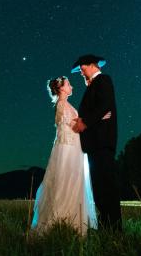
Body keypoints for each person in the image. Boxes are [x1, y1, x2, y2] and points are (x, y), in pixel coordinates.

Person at [30, 76, 97, 235]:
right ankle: (61, 220)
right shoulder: (62, 106)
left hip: (73, 149)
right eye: (68, 84)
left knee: (72, 182)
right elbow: (76, 127)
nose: (71, 86)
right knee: (66, 182)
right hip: (67, 151)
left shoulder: (66, 105)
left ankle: (72, 221)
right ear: (61, 88)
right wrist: (98, 119)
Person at [71, 54, 123, 231]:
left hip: (102, 141)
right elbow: (100, 109)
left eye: (82, 67)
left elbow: (105, 104)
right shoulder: (93, 85)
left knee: (106, 185)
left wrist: (85, 122)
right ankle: (106, 223)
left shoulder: (103, 80)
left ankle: (114, 227)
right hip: (95, 143)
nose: (80, 71)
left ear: (92, 65)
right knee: (99, 187)